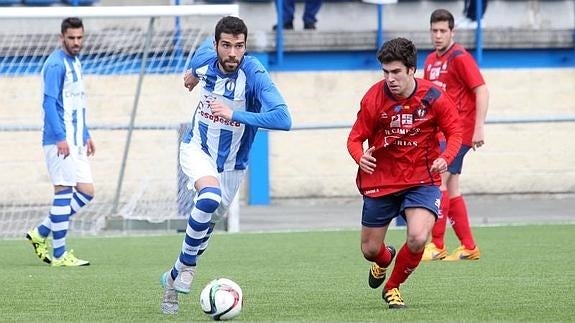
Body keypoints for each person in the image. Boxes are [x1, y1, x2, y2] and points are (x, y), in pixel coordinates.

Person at [160, 16, 292, 315]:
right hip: (197, 148)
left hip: (233, 165)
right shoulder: (206, 56)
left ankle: (172, 275)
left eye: (239, 46)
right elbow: (197, 58)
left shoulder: (254, 72)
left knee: (209, 219)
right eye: (227, 46)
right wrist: (192, 71)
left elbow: (284, 119)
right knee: (208, 198)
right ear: (216, 44)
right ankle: (189, 266)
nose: (233, 53)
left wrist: (236, 114)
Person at [347, 37, 462, 308]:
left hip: (421, 179)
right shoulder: (374, 97)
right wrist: (359, 156)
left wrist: (446, 158)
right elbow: (354, 138)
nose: (390, 78)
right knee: (370, 250)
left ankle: (392, 287)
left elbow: (455, 131)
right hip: (381, 180)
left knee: (418, 236)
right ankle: (385, 259)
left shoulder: (434, 96)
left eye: (396, 71)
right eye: (385, 72)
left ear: (412, 69)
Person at [25, 17, 94, 267]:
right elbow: (49, 104)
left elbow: (77, 103)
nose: (76, 42)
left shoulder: (75, 61)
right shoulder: (55, 65)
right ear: (61, 38)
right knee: (64, 192)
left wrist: (85, 134)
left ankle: (41, 232)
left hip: (76, 140)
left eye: (79, 38)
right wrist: (60, 137)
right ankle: (59, 254)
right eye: (71, 38)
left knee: (86, 192)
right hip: (60, 141)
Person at [421, 8, 489, 261]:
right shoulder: (429, 61)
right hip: (441, 132)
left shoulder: (460, 57)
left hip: (458, 132)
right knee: (451, 187)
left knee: (437, 180)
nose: (438, 35)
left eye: (443, 31)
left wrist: (479, 126)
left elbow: (481, 89)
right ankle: (469, 247)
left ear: (452, 32)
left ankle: (437, 244)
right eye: (434, 31)